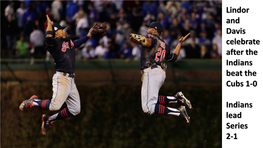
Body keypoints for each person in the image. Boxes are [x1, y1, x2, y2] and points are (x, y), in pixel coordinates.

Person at [19, 15, 106, 135]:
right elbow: (48, 38)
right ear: (56, 32)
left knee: (75, 109)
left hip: (71, 80)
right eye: (61, 29)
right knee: (55, 105)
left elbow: (76, 43)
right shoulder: (54, 44)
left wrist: (88, 36)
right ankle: (33, 101)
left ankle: (49, 119)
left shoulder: (68, 42)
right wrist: (49, 24)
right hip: (62, 78)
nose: (63, 30)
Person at [129, 22, 192, 124]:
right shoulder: (165, 45)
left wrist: (134, 37)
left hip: (151, 71)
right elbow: (174, 57)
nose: (148, 29)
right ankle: (178, 99)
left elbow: (147, 42)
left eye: (150, 27)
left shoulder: (153, 38)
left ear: (155, 30)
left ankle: (178, 112)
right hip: (159, 72)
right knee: (152, 100)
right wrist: (180, 43)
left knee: (148, 107)